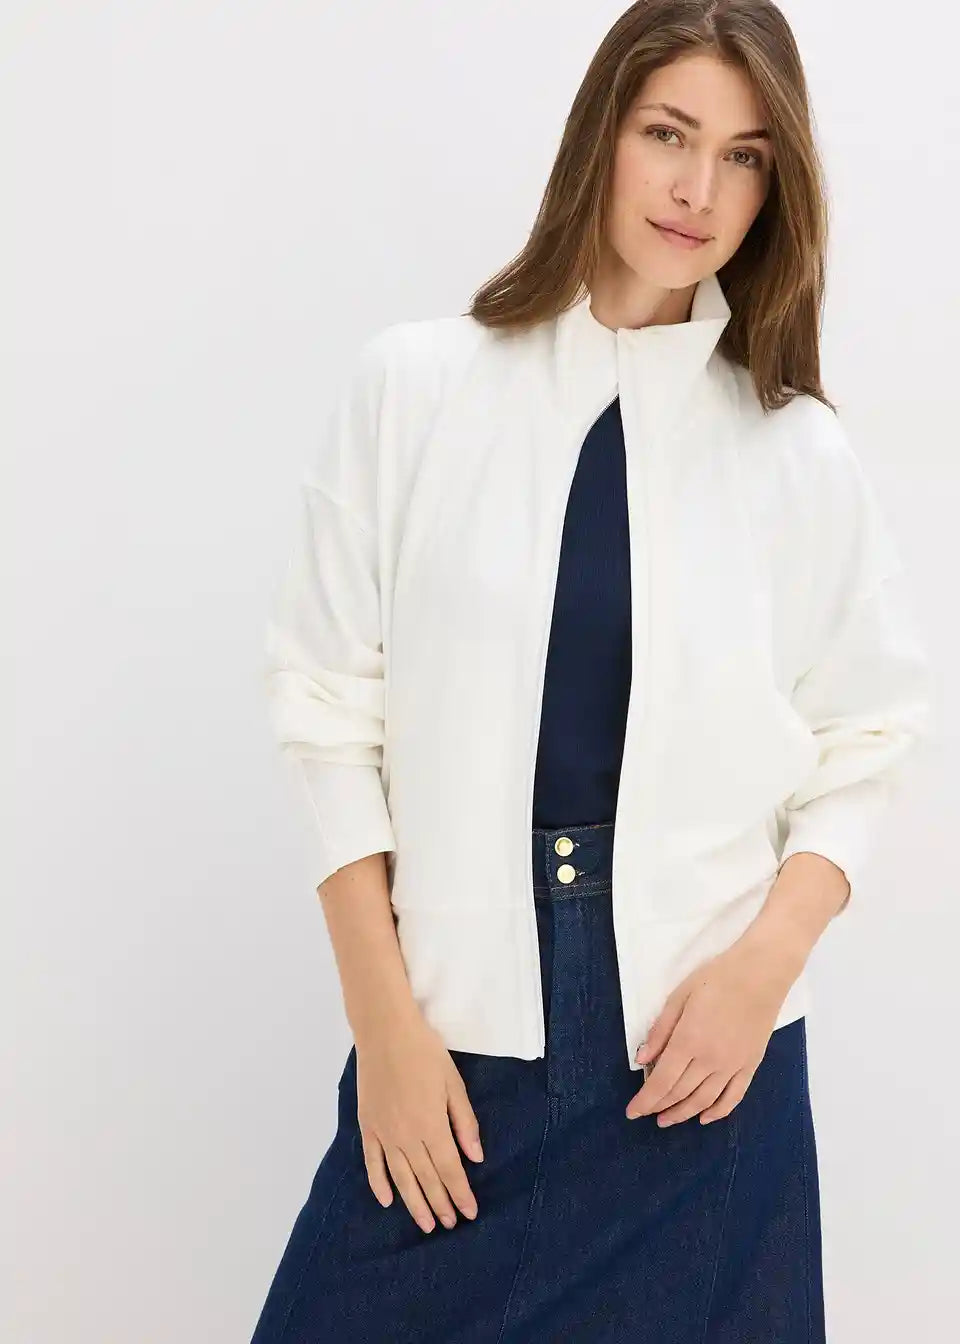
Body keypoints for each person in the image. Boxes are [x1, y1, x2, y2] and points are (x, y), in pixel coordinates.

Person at [250, 2, 932, 1340]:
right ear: (601, 138)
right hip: (454, 1054)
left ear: (775, 189)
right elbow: (326, 712)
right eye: (668, 134)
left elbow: (873, 732)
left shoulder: (794, 450)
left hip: (702, 1070)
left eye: (744, 157)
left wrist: (760, 971)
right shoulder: (416, 389)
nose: (697, 190)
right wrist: (387, 1034)